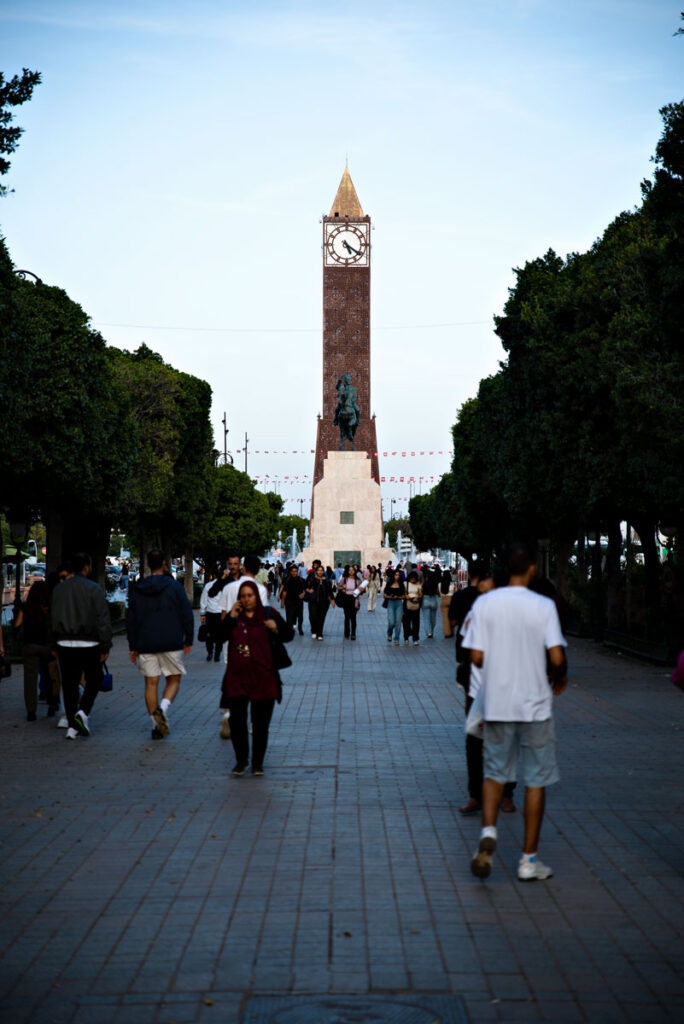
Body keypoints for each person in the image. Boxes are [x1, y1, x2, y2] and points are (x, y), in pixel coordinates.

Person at [463, 542, 567, 882]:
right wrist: (560, 677)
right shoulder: (543, 606)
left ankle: (488, 832)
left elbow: (476, 657)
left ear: (503, 569)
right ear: (533, 568)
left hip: (497, 701)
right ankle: (529, 860)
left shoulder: (485, 603)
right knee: (536, 780)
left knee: (494, 772)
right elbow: (555, 657)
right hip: (535, 704)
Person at [458, 572, 517, 816]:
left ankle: (507, 793)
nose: (485, 597)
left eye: (489, 593)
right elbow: (465, 650)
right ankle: (475, 795)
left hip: (505, 688)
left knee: (505, 741)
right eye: (482, 593)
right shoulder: (474, 615)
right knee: (474, 742)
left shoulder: (512, 618)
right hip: (478, 690)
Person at [221, 580, 294, 776]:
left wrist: (275, 628)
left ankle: (257, 763)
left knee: (260, 724)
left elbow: (289, 635)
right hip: (237, 679)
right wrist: (230, 617)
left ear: (256, 596)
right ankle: (241, 760)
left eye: (250, 595)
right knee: (237, 723)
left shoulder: (270, 615)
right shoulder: (235, 617)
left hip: (264, 678)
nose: (246, 599)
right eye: (243, 596)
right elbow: (219, 637)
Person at [126, 549, 194, 740]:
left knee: (151, 682)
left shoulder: (139, 588)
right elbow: (186, 614)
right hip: (171, 639)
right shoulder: (174, 587)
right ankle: (162, 709)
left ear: (147, 564)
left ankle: (156, 725)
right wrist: (188, 639)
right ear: (164, 563)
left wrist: (133, 645)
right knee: (174, 678)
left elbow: (131, 619)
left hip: (145, 641)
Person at [50, 552, 112, 740]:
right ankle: (83, 712)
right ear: (86, 567)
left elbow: (53, 617)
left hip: (64, 641)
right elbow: (103, 619)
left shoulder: (59, 590)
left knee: (69, 684)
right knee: (94, 679)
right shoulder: (94, 589)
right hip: (89, 641)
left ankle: (71, 725)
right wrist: (105, 645)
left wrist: (53, 642)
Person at [16, 580, 58, 721]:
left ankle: (31, 711)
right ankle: (52, 705)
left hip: (29, 646)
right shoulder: (48, 608)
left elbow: (17, 626)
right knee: (50, 677)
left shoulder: (26, 607)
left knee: (30, 679)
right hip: (47, 647)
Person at [199, 569, 227, 662]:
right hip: (221, 614)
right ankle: (217, 655)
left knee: (209, 635)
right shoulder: (225, 586)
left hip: (210, 613)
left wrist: (202, 613)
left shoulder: (208, 585)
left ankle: (210, 652)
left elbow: (204, 600)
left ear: (214, 575)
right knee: (220, 636)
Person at [304, 565, 336, 640]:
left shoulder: (327, 580)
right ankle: (314, 630)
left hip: (324, 602)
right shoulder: (312, 579)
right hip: (313, 601)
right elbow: (305, 586)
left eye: (322, 570)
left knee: (321, 618)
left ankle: (320, 633)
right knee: (313, 616)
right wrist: (308, 590)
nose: (320, 572)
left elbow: (329, 591)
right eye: (319, 570)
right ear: (316, 571)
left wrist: (332, 600)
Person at [279, 563, 306, 635]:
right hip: (289, 601)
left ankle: (300, 628)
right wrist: (282, 602)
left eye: (295, 571)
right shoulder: (287, 580)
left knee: (300, 616)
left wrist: (303, 594)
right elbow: (284, 592)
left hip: (299, 601)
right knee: (289, 616)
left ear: (298, 572)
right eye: (293, 571)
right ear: (290, 572)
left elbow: (306, 590)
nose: (294, 573)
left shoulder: (301, 580)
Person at [383, 569, 406, 645]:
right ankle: (389, 633)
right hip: (390, 602)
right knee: (391, 622)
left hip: (399, 603)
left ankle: (396, 638)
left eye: (398, 575)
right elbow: (384, 595)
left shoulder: (401, 584)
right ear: (393, 575)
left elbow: (403, 596)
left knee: (398, 622)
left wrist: (398, 597)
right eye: (396, 575)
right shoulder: (389, 584)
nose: (397, 576)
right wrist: (390, 596)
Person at [337, 565, 359, 640]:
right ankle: (346, 633)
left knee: (353, 617)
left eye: (353, 570)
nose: (351, 571)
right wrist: (342, 587)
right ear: (347, 571)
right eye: (350, 570)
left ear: (355, 571)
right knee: (347, 617)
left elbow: (362, 590)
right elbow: (338, 587)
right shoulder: (344, 579)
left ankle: (353, 634)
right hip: (346, 598)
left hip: (354, 599)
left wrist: (361, 589)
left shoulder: (357, 580)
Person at [403, 570, 422, 646]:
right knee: (406, 622)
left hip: (415, 604)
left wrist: (417, 598)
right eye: (412, 579)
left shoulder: (418, 584)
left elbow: (420, 594)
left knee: (416, 623)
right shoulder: (405, 584)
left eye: (414, 579)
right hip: (407, 604)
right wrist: (408, 597)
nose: (413, 580)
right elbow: (403, 594)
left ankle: (415, 638)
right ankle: (406, 637)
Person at [421, 565, 441, 638]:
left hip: (425, 599)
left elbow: (421, 592)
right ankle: (432, 631)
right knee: (433, 619)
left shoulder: (424, 583)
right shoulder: (435, 583)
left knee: (426, 618)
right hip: (433, 599)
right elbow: (438, 592)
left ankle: (429, 632)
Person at [440, 569, 455, 637]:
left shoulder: (440, 584)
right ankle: (452, 631)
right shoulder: (452, 583)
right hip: (452, 600)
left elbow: (438, 593)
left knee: (445, 617)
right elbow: (456, 591)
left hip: (444, 600)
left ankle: (447, 633)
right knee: (452, 616)